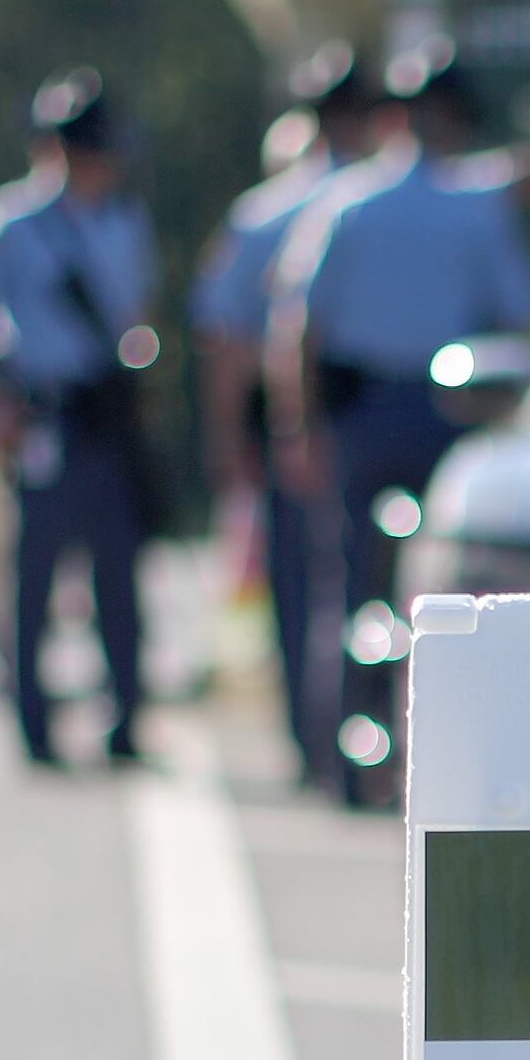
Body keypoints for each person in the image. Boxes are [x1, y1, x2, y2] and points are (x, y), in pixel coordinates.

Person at [267, 59, 530, 805]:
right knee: (452, 597)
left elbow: (297, 325)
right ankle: (447, 766)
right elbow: (519, 314)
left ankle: (347, 766)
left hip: (361, 416)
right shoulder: (470, 208)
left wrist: (298, 428)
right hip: (448, 414)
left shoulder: (345, 203)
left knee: (350, 587)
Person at [0, 69, 162, 768]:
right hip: (43, 415)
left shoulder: (124, 221)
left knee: (119, 577)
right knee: (35, 580)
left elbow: (138, 318)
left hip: (105, 415)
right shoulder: (11, 223)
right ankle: (34, 725)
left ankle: (126, 720)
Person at [191, 47, 369, 779]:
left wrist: (229, 437)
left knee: (303, 587)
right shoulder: (379, 201)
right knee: (363, 580)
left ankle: (313, 741)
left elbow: (225, 343)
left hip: (296, 421)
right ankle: (365, 733)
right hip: (366, 411)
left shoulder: (264, 212)